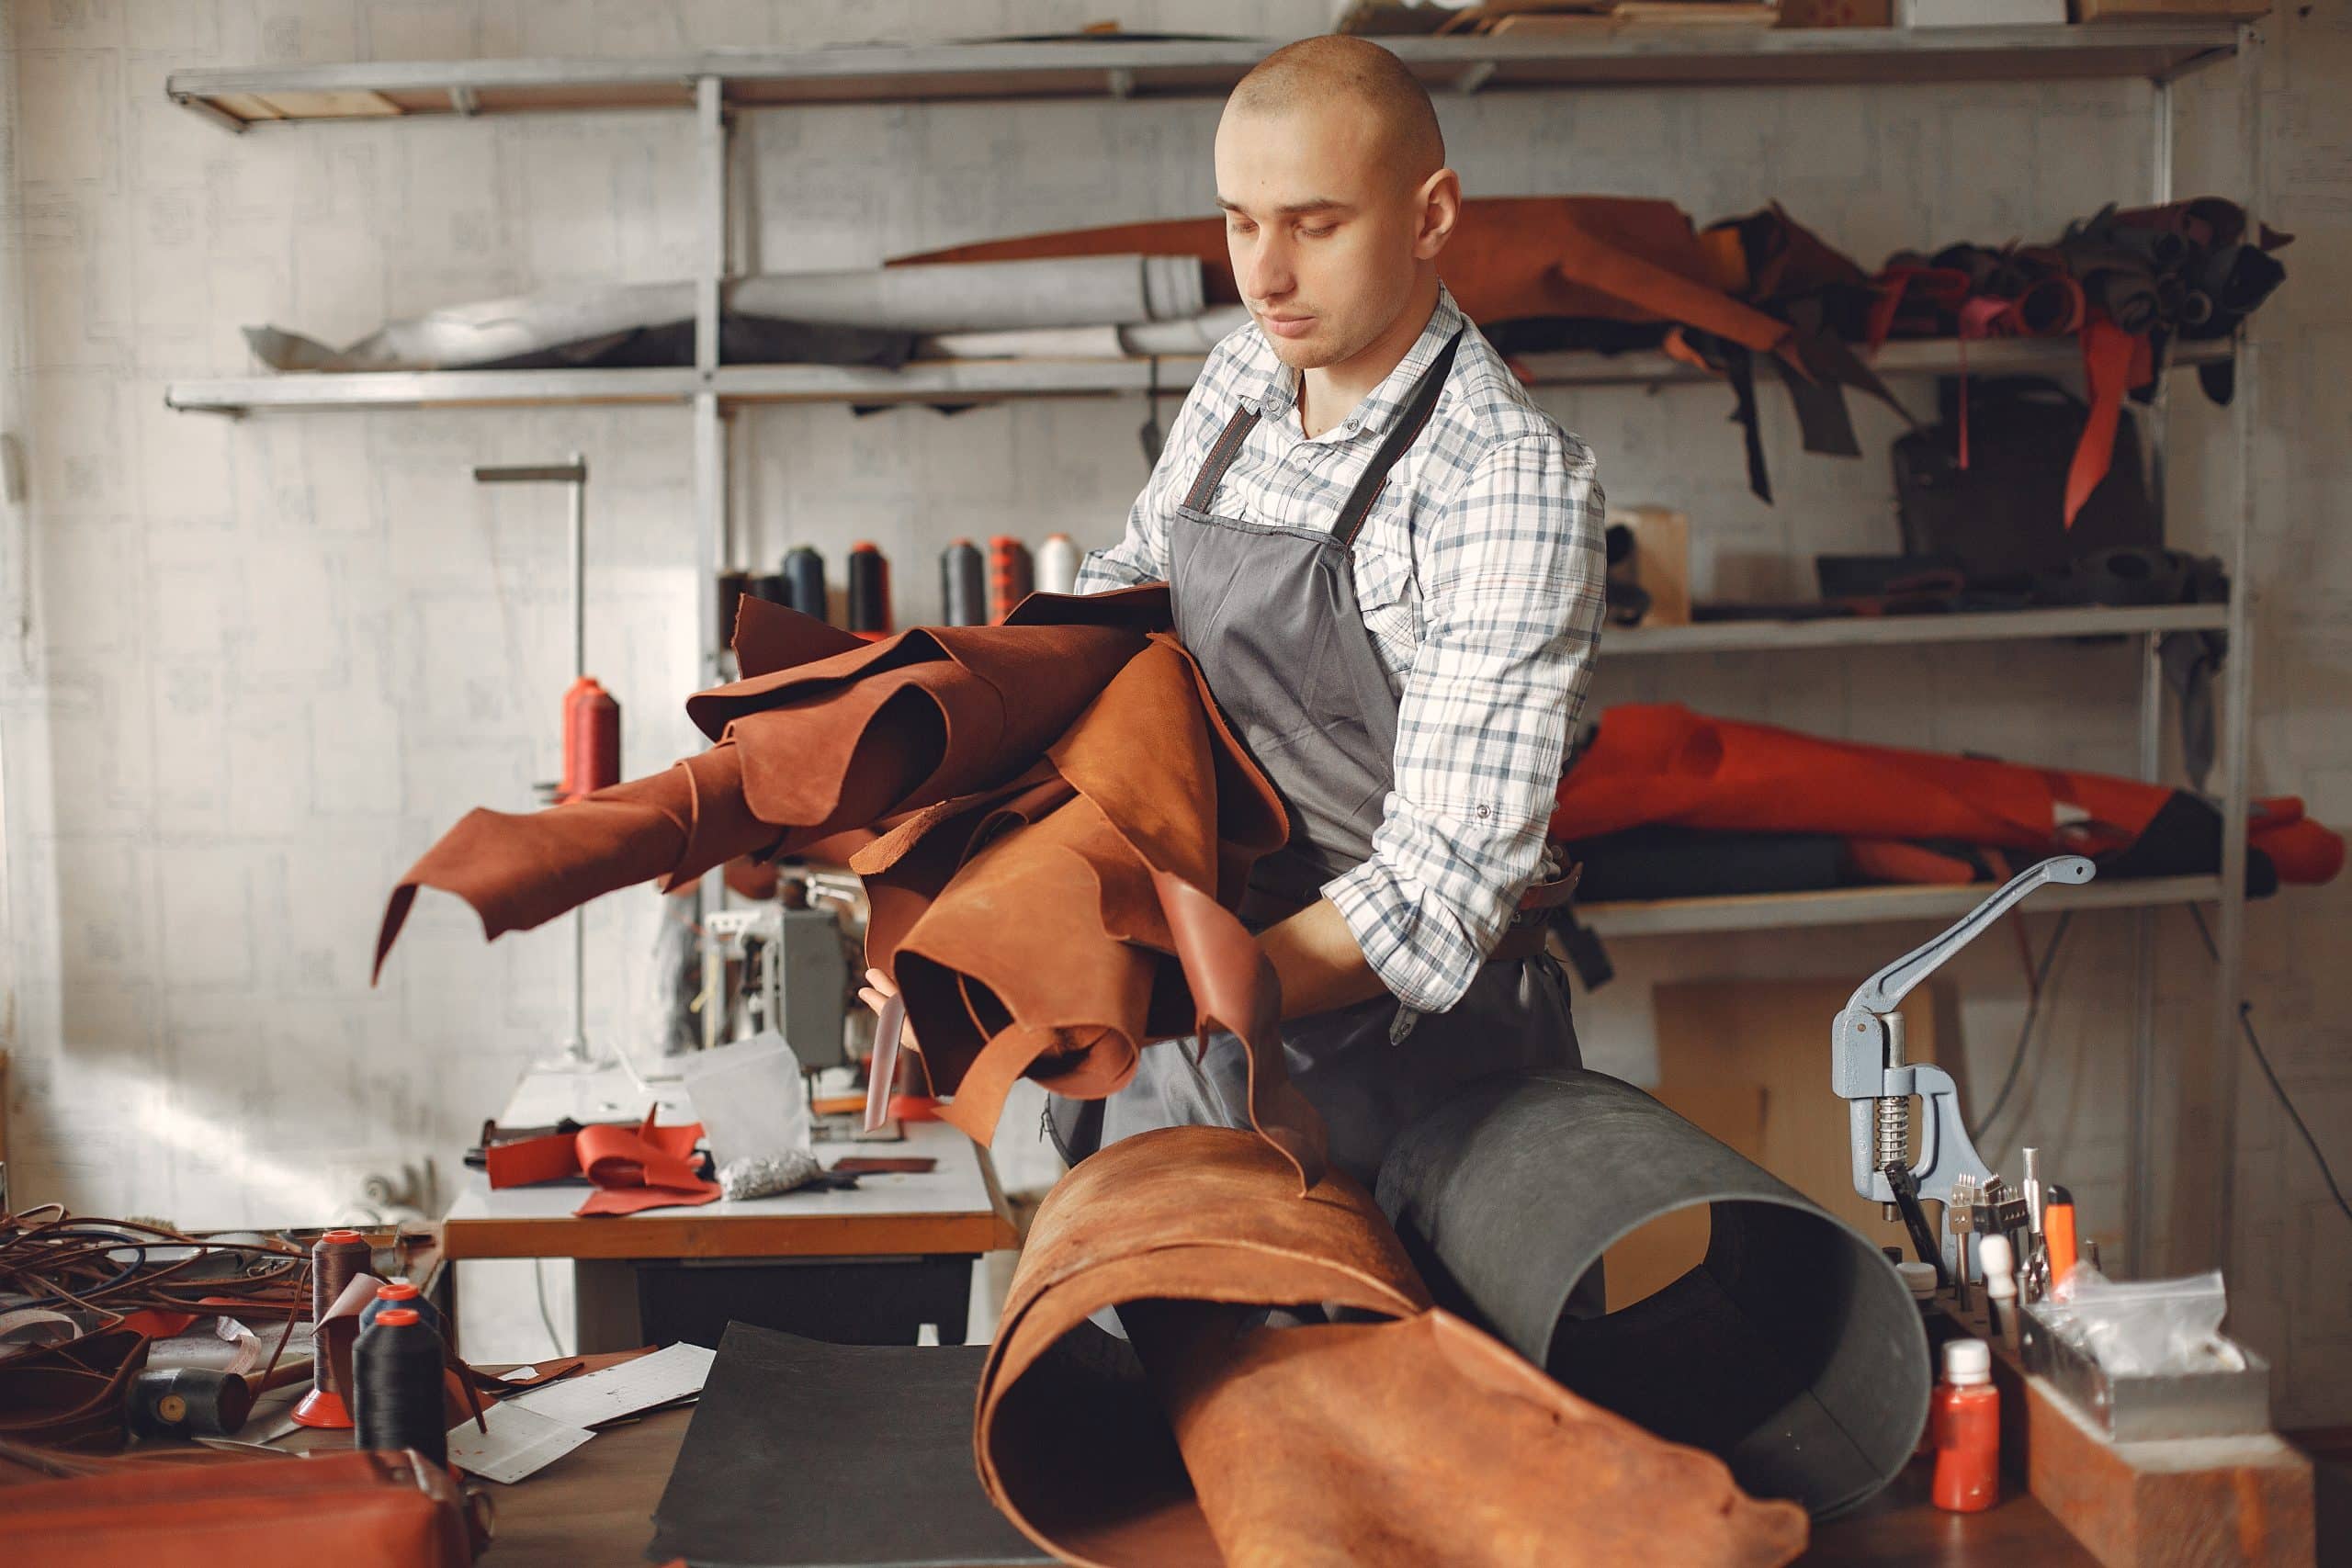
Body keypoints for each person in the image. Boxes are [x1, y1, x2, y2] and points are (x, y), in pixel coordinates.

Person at [865, 35, 1606, 1187]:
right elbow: (1119, 621)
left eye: (1314, 225)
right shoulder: (1243, 380)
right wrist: (961, 869)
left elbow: (1438, 893)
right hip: (1181, 1047)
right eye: (1238, 222)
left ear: (1430, 216)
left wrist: (1138, 989)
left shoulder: (1501, 483)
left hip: (1404, 1095)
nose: (1264, 275)